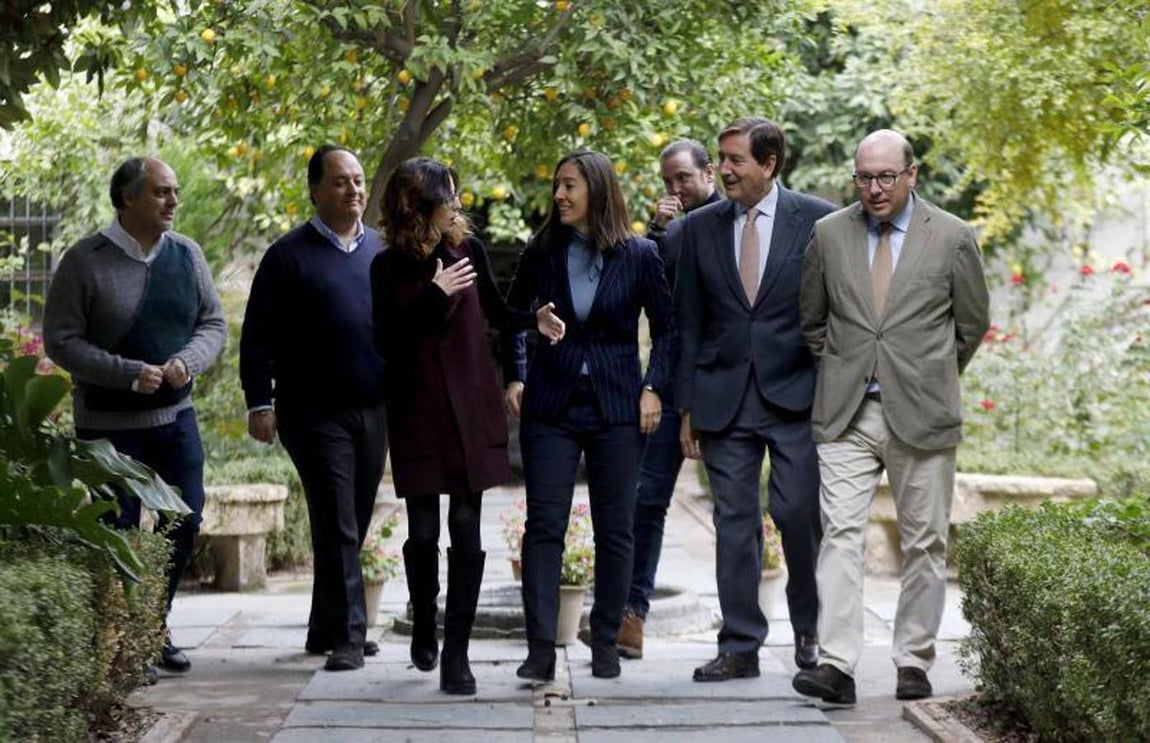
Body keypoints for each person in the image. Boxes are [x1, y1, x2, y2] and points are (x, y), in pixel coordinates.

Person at [794, 129, 990, 705]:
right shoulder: (828, 234)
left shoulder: (952, 236)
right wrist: (847, 367)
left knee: (925, 542)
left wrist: (927, 372)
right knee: (839, 538)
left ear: (911, 176)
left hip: (922, 412)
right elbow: (813, 321)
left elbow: (971, 324)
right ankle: (836, 665)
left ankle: (913, 661)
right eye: (864, 177)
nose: (874, 189)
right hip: (847, 413)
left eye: (885, 177)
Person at [43, 156, 226, 674]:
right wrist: (126, 372)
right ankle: (123, 641)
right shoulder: (85, 261)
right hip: (107, 429)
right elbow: (61, 341)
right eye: (162, 192)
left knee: (184, 520)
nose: (174, 202)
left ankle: (155, 626)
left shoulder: (187, 255)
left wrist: (185, 363)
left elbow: (213, 323)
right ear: (128, 198)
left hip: (177, 420)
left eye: (175, 192)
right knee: (117, 534)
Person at [504, 149, 677, 681]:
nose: (559, 195)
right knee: (544, 528)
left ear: (597, 191)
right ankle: (540, 650)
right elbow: (509, 315)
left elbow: (668, 330)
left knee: (616, 528)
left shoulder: (641, 254)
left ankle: (605, 642)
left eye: (570, 186)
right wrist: (516, 374)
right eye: (558, 185)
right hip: (551, 406)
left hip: (618, 406)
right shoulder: (542, 250)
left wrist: (654, 387)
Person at [371, 157, 542, 695]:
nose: (458, 205)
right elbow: (387, 340)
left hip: (471, 404)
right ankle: (425, 620)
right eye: (448, 196)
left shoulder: (468, 249)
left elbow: (497, 310)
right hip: (418, 408)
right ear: (419, 206)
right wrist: (434, 293)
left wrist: (534, 318)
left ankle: (458, 655)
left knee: (466, 526)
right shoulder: (389, 266)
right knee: (423, 529)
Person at [673, 117, 835, 681]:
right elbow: (688, 322)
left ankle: (811, 634)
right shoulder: (699, 228)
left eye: (736, 160)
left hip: (796, 395)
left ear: (769, 165)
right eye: (720, 158)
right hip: (724, 397)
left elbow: (835, 313)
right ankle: (740, 646)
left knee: (796, 513)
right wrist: (686, 406)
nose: (723, 170)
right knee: (734, 522)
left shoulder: (818, 220)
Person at [239, 144, 388, 672]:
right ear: (315, 190)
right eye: (341, 181)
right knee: (337, 518)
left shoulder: (381, 251)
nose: (354, 190)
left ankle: (324, 625)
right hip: (312, 412)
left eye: (358, 180)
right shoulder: (287, 256)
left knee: (353, 519)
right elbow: (256, 337)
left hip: (373, 408)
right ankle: (350, 635)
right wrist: (260, 401)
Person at [618, 138, 721, 659]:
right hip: (670, 381)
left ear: (710, 174)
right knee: (646, 501)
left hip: (723, 392)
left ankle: (740, 631)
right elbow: (661, 315)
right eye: (668, 182)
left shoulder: (732, 226)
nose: (676, 189)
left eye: (684, 178)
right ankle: (631, 616)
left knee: (733, 510)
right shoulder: (667, 233)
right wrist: (658, 232)